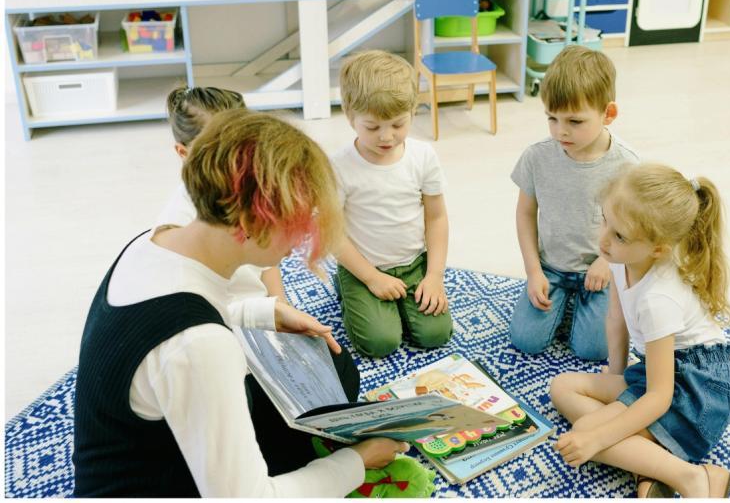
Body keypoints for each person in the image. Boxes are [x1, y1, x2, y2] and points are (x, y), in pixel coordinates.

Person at [73, 110, 407, 497]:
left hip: (132, 451)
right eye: (300, 224)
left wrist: (265, 312)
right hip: (158, 484)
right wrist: (358, 462)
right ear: (252, 222)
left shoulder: (153, 241)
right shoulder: (200, 346)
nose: (301, 240)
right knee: (315, 421)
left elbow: (168, 319)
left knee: (335, 370)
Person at [550, 163, 730, 498]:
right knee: (562, 386)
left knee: (588, 431)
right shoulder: (621, 260)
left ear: (658, 248)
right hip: (655, 374)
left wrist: (600, 436)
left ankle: (693, 478)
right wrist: (615, 383)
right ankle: (649, 465)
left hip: (696, 392)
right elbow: (616, 322)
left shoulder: (658, 298)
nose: (603, 240)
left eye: (619, 235)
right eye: (605, 219)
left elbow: (659, 396)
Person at [157, 87, 311, 358]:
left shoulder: (249, 188)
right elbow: (195, 310)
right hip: (222, 327)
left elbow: (267, 260)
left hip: (261, 313)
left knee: (339, 366)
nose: (235, 161)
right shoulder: (178, 224)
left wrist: (281, 306)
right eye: (218, 151)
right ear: (184, 153)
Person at [509, 45, 639, 359]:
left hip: (600, 271)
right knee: (525, 340)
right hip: (551, 268)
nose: (560, 131)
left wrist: (606, 262)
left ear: (608, 114)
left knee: (593, 350)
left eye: (574, 122)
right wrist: (533, 272)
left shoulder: (628, 165)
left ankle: (590, 306)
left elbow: (635, 228)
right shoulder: (537, 157)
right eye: (551, 118)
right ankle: (563, 303)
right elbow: (526, 214)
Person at [331, 50, 453, 358]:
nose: (386, 137)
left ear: (413, 111)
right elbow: (331, 234)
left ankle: (392, 297)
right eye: (372, 127)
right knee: (380, 343)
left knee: (435, 335)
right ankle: (346, 286)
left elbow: (436, 218)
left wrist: (434, 276)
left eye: (398, 125)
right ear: (349, 116)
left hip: (414, 264)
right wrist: (371, 278)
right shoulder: (338, 166)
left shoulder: (422, 156)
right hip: (364, 265)